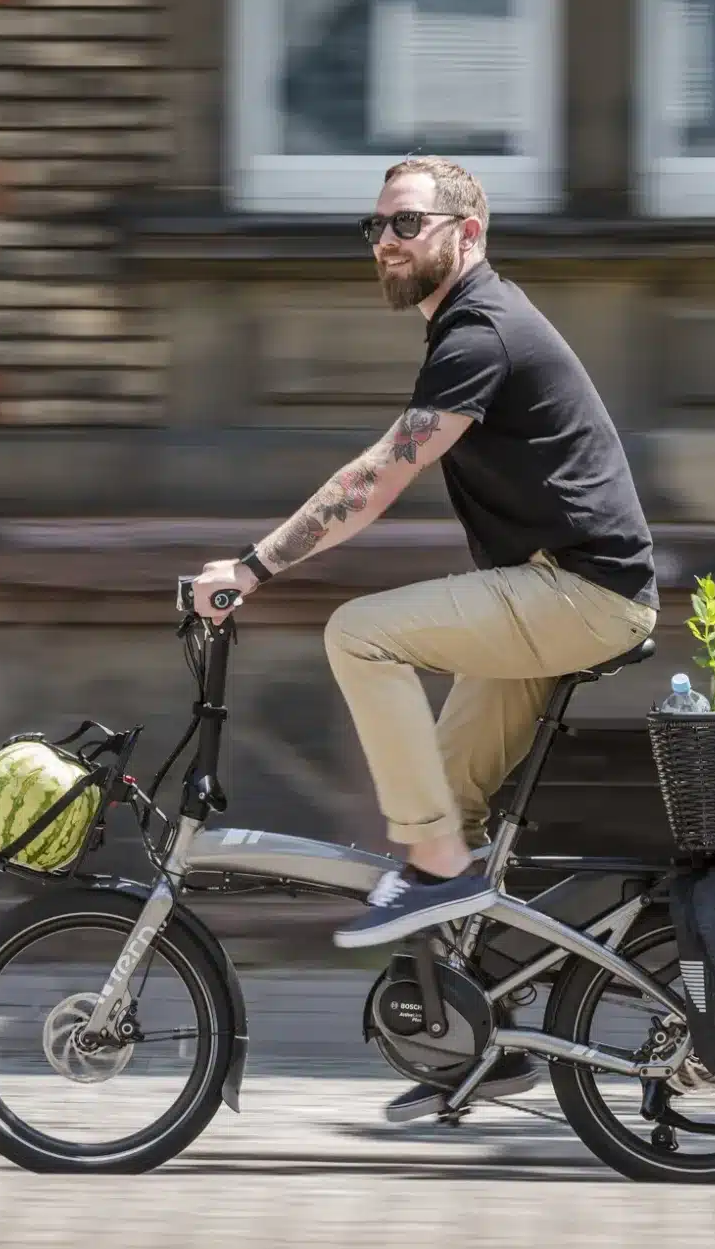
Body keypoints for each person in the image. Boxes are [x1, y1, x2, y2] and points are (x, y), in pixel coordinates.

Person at [190, 157, 659, 1116]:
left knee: (361, 636)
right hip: (549, 593)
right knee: (442, 809)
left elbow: (378, 476)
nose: (387, 243)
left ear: (467, 233)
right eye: (377, 228)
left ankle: (440, 872)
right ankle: (483, 1044)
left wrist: (253, 566)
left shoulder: (480, 328)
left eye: (406, 222)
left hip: (580, 594)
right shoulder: (468, 325)